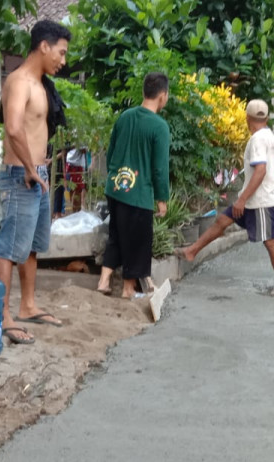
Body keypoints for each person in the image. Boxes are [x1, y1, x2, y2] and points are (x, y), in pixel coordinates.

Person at [0, 19, 72, 345]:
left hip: (36, 173)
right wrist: (29, 167)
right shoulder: (19, 81)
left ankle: (27, 305)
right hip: (20, 175)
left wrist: (39, 164)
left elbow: (34, 129)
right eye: (61, 52)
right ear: (44, 46)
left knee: (32, 247)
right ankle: (2, 315)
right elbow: (13, 128)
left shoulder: (41, 84)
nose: (63, 60)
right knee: (10, 247)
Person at [180, 99, 274, 297]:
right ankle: (192, 251)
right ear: (266, 118)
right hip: (254, 198)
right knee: (222, 221)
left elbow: (261, 171)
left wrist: (242, 199)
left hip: (259, 200)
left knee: (269, 241)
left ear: (247, 118)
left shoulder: (257, 139)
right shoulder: (270, 137)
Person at [95, 73, 171, 298]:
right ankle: (128, 289)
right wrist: (162, 198)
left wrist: (114, 175)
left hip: (115, 188)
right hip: (138, 194)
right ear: (163, 95)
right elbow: (159, 168)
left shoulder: (125, 117)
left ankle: (104, 280)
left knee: (116, 235)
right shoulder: (159, 126)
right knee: (138, 242)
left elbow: (110, 153)